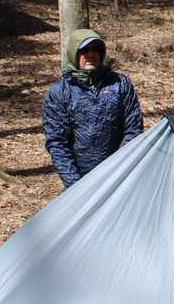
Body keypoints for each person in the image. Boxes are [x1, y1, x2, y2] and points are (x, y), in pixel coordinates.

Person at [42, 29, 144, 188]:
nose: (91, 54)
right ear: (73, 53)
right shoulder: (60, 92)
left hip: (120, 178)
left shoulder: (120, 84)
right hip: (79, 182)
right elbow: (57, 143)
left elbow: (133, 129)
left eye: (96, 49)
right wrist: (76, 187)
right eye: (84, 50)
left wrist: (118, 170)